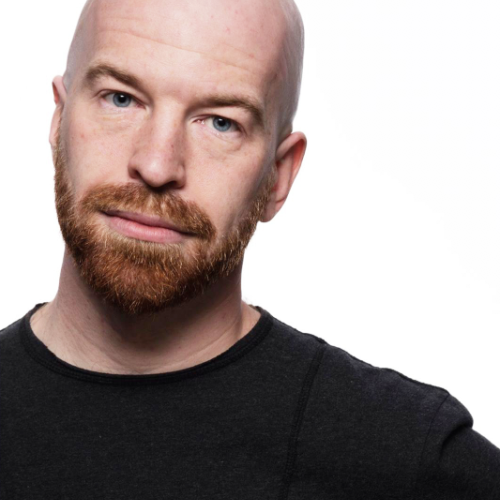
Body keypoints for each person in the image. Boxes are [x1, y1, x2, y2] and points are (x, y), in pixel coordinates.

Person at [1, 0, 499, 497]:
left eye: (221, 122)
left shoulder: (403, 461)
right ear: (59, 119)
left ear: (278, 176)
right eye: (121, 99)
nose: (156, 165)